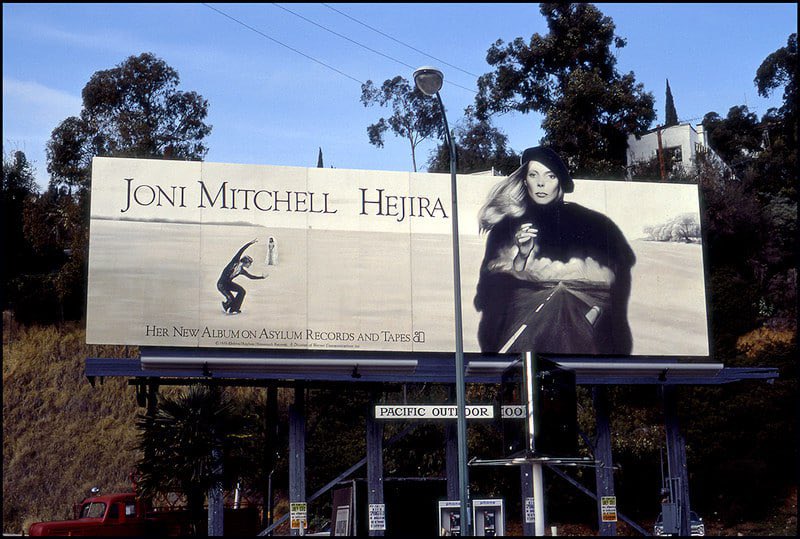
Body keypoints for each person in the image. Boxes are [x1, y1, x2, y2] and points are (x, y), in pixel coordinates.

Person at [473, 146, 635, 355]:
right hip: (514, 362)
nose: (541, 183)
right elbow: (487, 292)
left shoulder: (593, 223)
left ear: (560, 181)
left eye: (550, 176)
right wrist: (522, 254)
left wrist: (595, 314)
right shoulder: (506, 227)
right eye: (533, 175)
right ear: (524, 180)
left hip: (588, 355)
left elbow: (619, 277)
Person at [217, 238, 266, 314]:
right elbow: (241, 250)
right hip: (221, 284)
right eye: (249, 263)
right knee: (231, 299)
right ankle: (227, 305)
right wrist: (250, 243)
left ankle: (234, 309)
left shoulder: (241, 270)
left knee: (242, 291)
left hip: (228, 284)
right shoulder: (235, 261)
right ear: (246, 262)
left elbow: (251, 277)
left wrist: (262, 277)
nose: (250, 265)